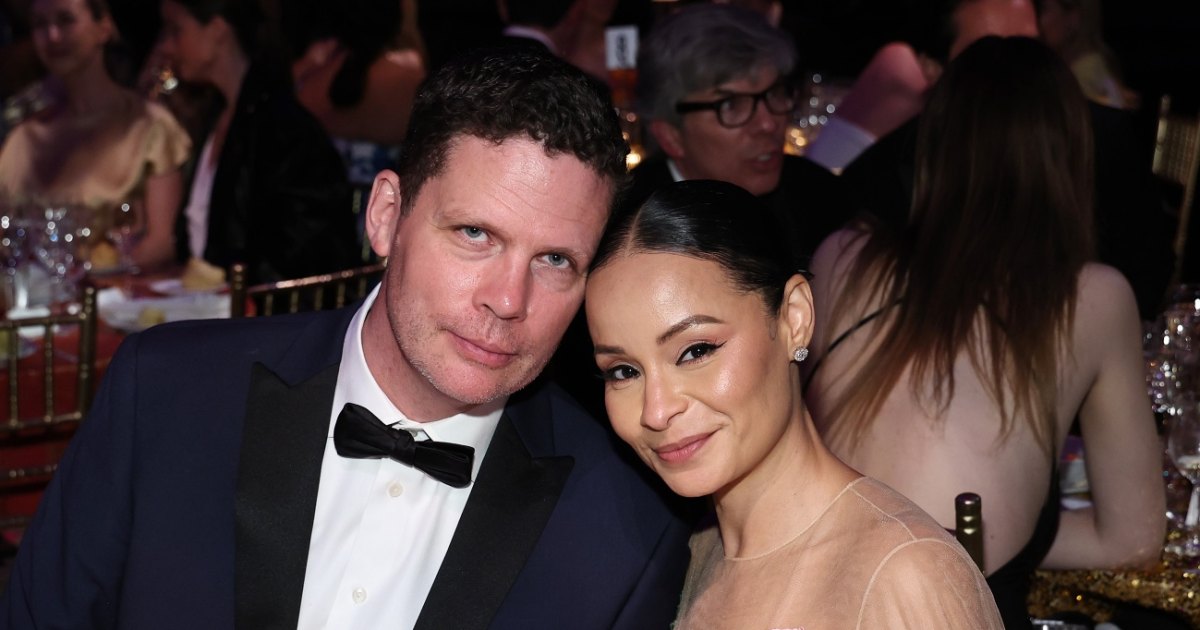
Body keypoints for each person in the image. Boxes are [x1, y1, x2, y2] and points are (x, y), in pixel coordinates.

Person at [0, 49, 692, 629]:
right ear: (386, 216)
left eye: (556, 261)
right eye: (475, 234)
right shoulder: (164, 395)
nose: (509, 300)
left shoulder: (627, 536)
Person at [805, 36, 1165, 629]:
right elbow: (1133, 538)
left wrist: (904, 533)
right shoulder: (1092, 297)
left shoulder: (840, 256)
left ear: (932, 141)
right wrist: (995, 534)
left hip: (809, 597)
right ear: (1070, 157)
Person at [585, 179, 1003, 629]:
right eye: (623, 372)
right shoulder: (692, 555)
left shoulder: (906, 574)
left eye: (696, 351)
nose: (656, 410)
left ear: (794, 318)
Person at [831, 0, 1174, 319]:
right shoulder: (897, 164)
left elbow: (1147, 278)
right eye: (987, 56)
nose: (1016, 73)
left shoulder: (1102, 139)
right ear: (937, 71)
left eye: (1030, 49)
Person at [628, 4, 849, 264]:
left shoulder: (821, 199)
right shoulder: (630, 232)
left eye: (775, 93)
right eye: (731, 105)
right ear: (671, 136)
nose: (768, 124)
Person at [158, 0, 358, 284]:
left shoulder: (282, 129)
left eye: (176, 30)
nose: (167, 47)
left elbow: (301, 255)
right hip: (208, 301)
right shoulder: (215, 114)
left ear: (217, 30)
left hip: (259, 307)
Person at [0, 0, 190, 270]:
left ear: (104, 27)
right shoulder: (23, 140)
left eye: (66, 20)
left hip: (122, 292)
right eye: (40, 24)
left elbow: (162, 243)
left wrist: (92, 275)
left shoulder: (150, 126)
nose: (53, 36)